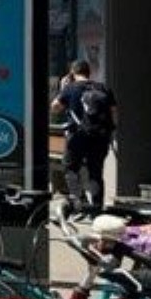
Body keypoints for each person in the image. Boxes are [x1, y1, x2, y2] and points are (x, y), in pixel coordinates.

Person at [51, 59, 118, 213]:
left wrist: (63, 88)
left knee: (71, 168)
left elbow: (55, 108)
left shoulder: (70, 88)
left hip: (77, 136)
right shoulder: (103, 88)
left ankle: (79, 203)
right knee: (96, 172)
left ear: (73, 73)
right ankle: (96, 209)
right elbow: (114, 112)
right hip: (100, 137)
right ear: (89, 72)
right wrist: (110, 131)